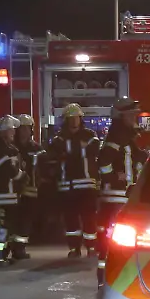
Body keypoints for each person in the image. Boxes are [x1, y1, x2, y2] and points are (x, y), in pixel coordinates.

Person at [96, 97, 148, 284]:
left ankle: (120, 278)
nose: (135, 118)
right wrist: (113, 178)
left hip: (126, 198)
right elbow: (103, 162)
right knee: (112, 242)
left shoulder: (128, 137)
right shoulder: (117, 137)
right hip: (115, 198)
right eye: (131, 115)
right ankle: (106, 279)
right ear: (121, 116)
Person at [46, 103, 101, 259]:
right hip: (67, 186)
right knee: (71, 220)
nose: (74, 121)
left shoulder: (90, 135)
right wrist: (80, 150)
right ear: (66, 120)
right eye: (71, 118)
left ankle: (91, 247)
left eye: (76, 118)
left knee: (89, 218)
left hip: (86, 185)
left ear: (80, 118)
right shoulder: (59, 138)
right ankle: (74, 248)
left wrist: (69, 151)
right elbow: (54, 155)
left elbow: (94, 150)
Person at [0, 115, 25, 266]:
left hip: (8, 197)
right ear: (2, 132)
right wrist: (22, 176)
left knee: (6, 228)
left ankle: (2, 255)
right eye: (10, 130)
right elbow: (8, 170)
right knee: (0, 228)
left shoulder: (8, 149)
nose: (13, 132)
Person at [11, 114, 42, 259]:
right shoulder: (12, 147)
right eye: (21, 128)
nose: (24, 131)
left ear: (31, 130)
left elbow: (44, 166)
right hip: (13, 190)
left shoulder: (37, 148)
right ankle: (10, 248)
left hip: (31, 190)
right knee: (13, 220)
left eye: (27, 128)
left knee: (25, 220)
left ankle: (20, 249)